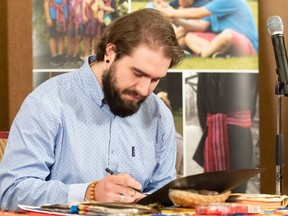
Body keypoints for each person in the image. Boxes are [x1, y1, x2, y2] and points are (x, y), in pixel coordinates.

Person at [0, 8, 184, 210]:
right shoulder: (47, 102)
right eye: (137, 73)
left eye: (155, 79)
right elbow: (10, 191)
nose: (143, 89)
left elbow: (162, 198)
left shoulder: (159, 115)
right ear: (111, 53)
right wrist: (89, 193)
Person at [161, 0, 258, 57]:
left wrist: (171, 13)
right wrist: (175, 18)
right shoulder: (212, 5)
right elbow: (200, 26)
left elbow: (197, 13)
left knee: (228, 34)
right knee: (190, 36)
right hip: (222, 42)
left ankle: (201, 56)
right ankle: (216, 55)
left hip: (246, 44)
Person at [44, 0, 68, 67]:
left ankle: (60, 55)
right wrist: (48, 18)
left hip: (63, 16)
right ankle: (54, 57)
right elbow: (46, 3)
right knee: (53, 37)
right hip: (53, 16)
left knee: (61, 37)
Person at [66, 0, 85, 67]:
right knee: (70, 40)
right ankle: (69, 56)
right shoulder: (68, 1)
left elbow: (83, 9)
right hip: (70, 22)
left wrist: (82, 19)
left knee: (78, 39)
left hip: (79, 21)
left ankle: (75, 56)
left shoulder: (80, 1)